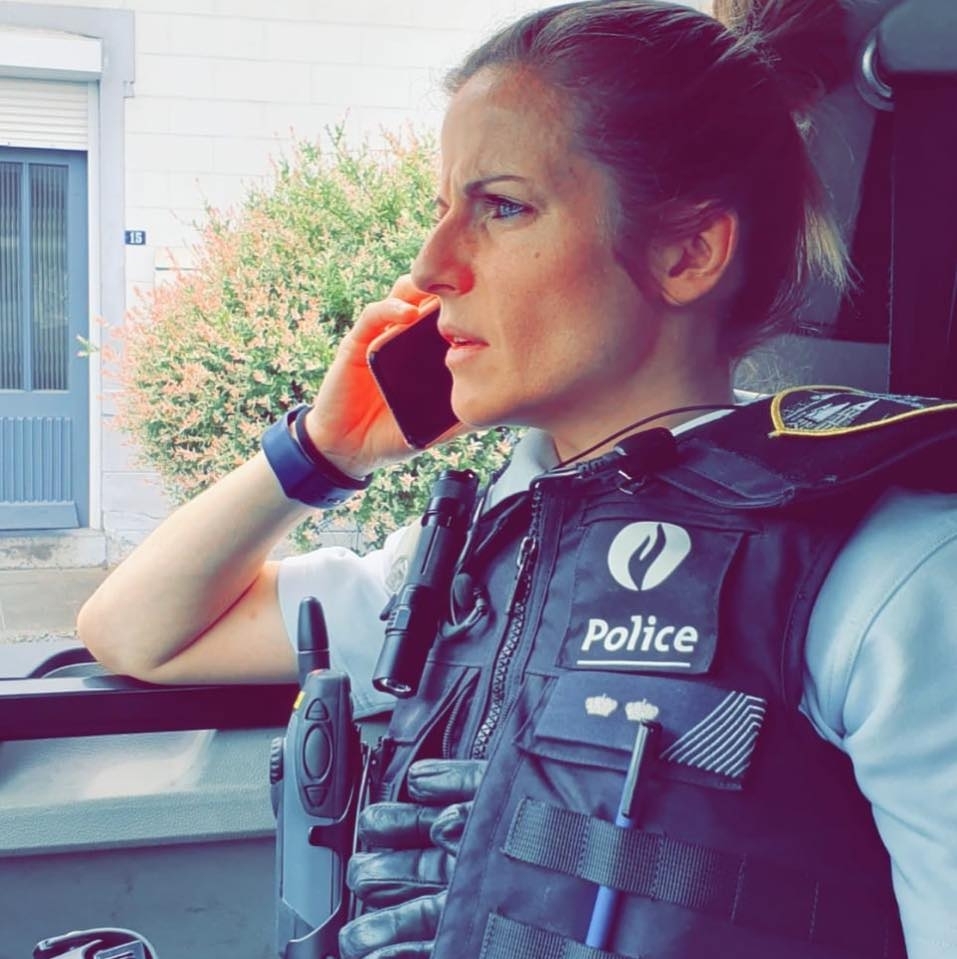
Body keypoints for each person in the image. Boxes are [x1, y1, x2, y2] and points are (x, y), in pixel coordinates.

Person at [77, 1, 957, 957]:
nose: (430, 265)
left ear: (686, 252)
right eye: (441, 209)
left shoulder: (888, 574)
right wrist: (324, 452)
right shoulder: (466, 557)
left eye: (501, 206)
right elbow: (139, 631)